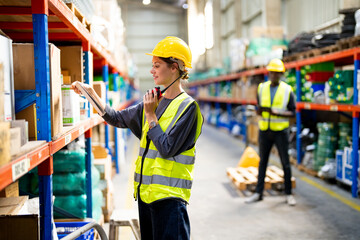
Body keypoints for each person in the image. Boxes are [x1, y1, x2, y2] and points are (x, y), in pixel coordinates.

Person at [72, 36, 203, 239]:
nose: (152, 71)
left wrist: (151, 116)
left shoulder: (188, 108)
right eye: (152, 65)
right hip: (146, 198)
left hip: (170, 201)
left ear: (174, 67)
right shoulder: (151, 102)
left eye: (157, 65)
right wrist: (92, 96)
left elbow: (167, 148)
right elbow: (116, 118)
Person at [245, 58, 296, 206]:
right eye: (272, 73)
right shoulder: (262, 88)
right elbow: (258, 107)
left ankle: (288, 194)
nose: (274, 75)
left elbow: (292, 112)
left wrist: (277, 113)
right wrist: (259, 111)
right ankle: (258, 193)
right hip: (265, 130)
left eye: (277, 73)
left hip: (280, 131)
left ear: (281, 74)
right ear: (268, 73)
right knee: (263, 163)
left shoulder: (287, 90)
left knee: (285, 163)